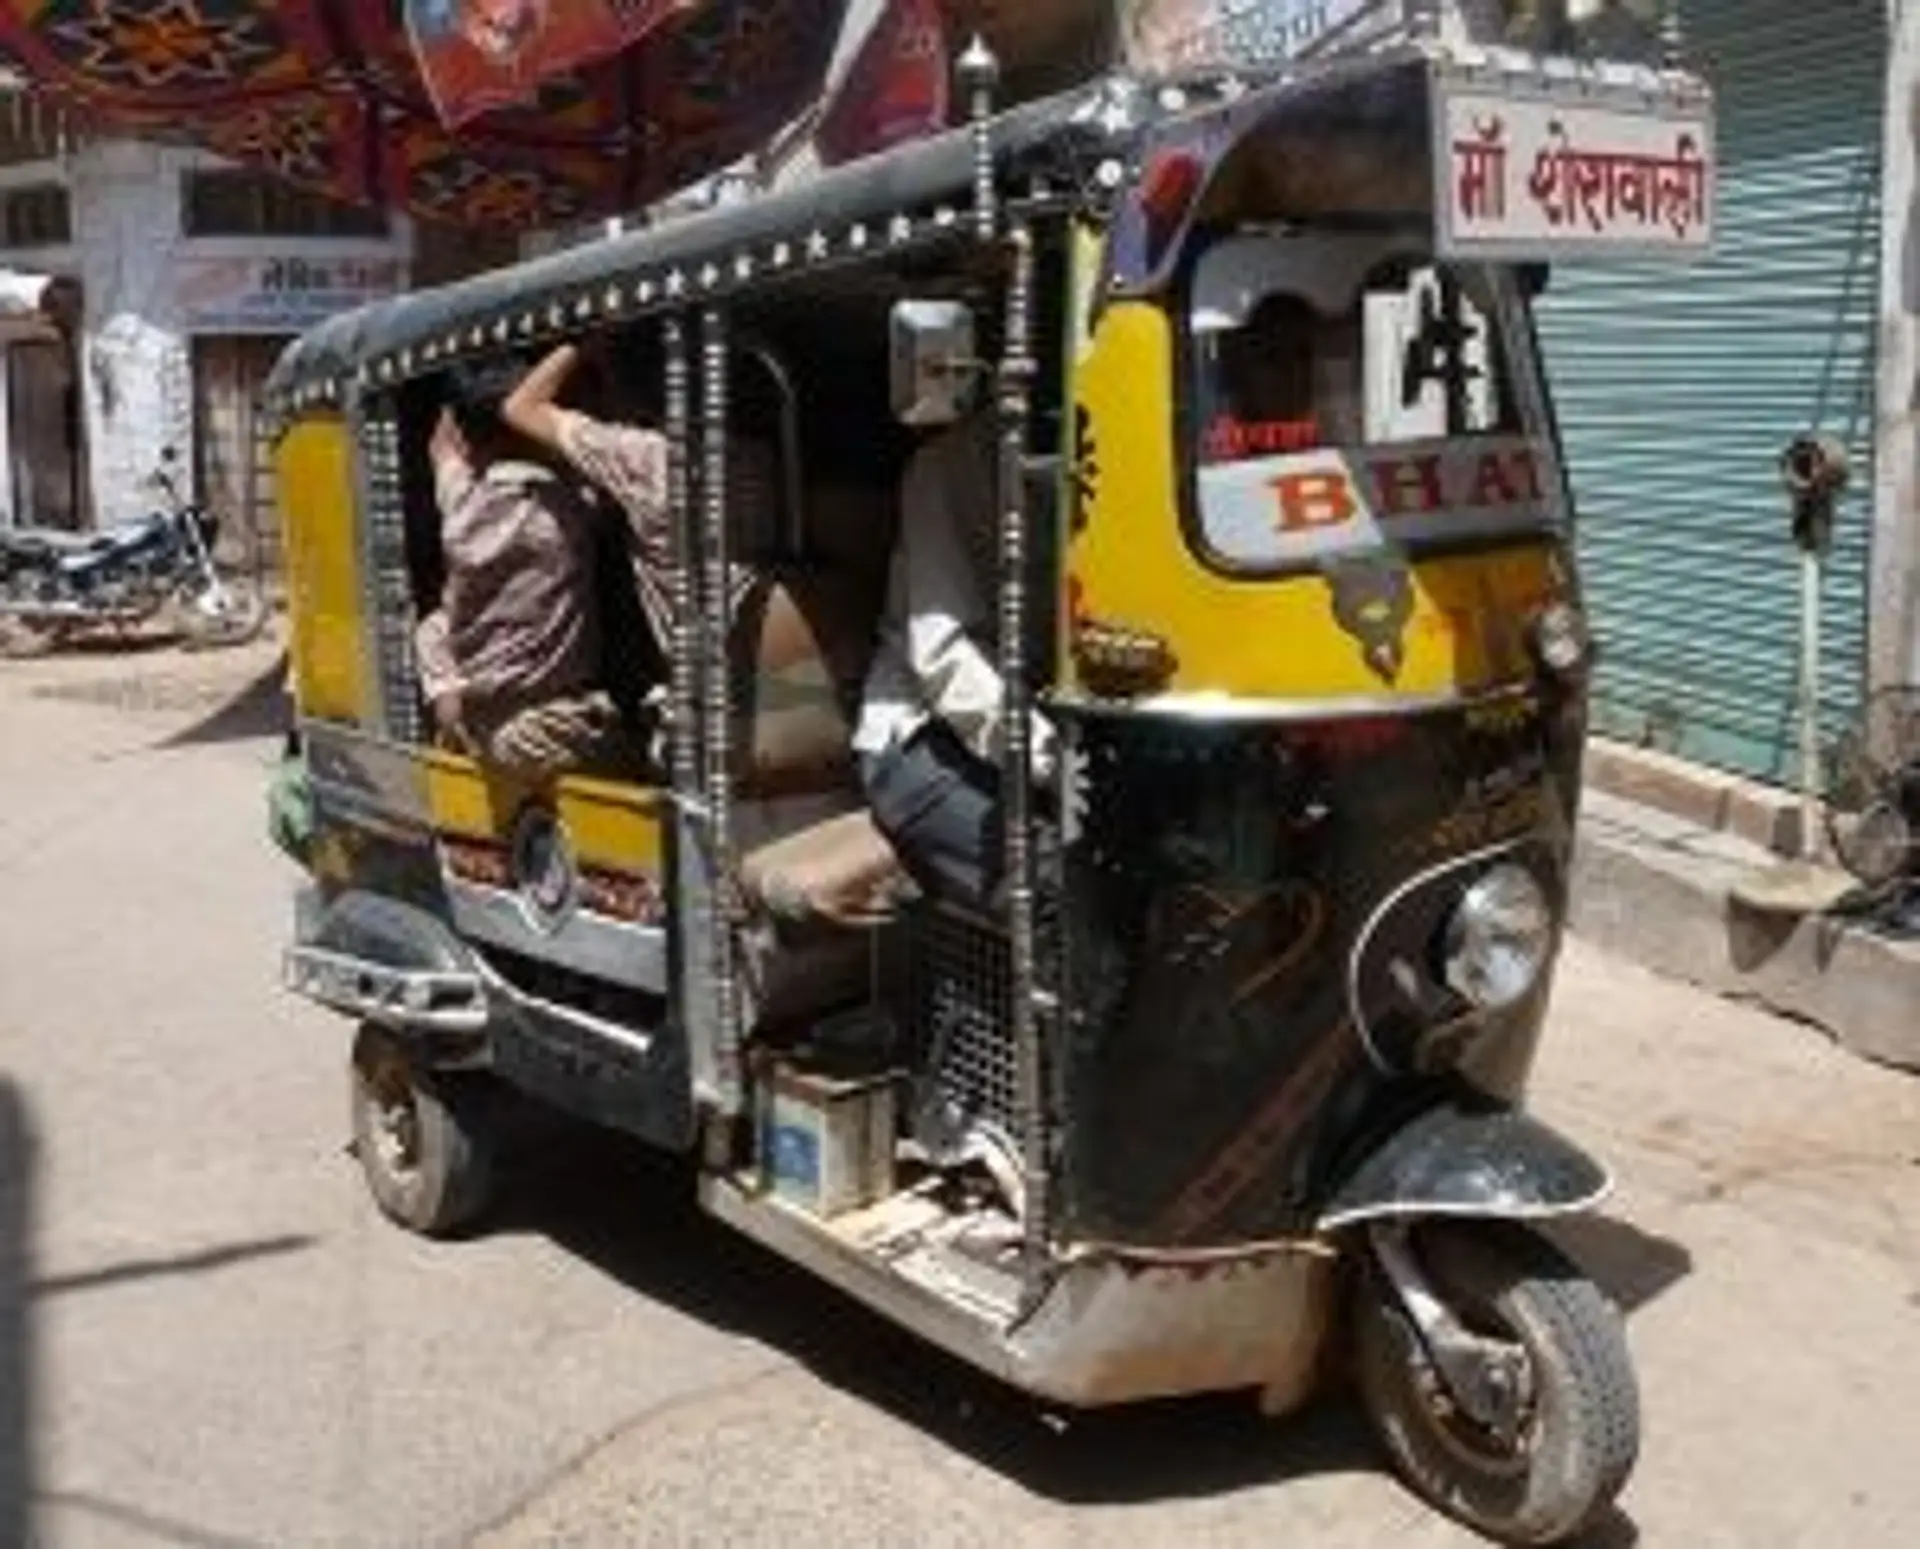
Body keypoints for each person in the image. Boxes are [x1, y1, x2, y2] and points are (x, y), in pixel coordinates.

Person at [852, 409, 1055, 911]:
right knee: (1062, 882)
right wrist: (1051, 757)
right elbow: (946, 660)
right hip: (921, 743)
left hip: (1034, 730)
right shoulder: (945, 471)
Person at [415, 358, 632, 779]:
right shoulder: (572, 511)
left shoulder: (460, 505)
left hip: (485, 728)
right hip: (556, 729)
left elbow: (440, 448)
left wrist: (461, 388)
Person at [501, 339, 772, 665]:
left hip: (700, 665)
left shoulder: (642, 457)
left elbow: (520, 407)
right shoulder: (756, 452)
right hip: (762, 641)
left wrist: (590, 340)